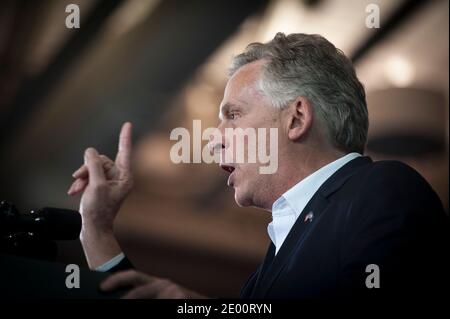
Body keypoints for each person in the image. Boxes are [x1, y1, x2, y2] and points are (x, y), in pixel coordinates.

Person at [67, 33, 449, 299]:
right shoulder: (278, 255)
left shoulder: (384, 189)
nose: (213, 138)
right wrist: (96, 230)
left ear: (296, 118)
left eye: (232, 115)